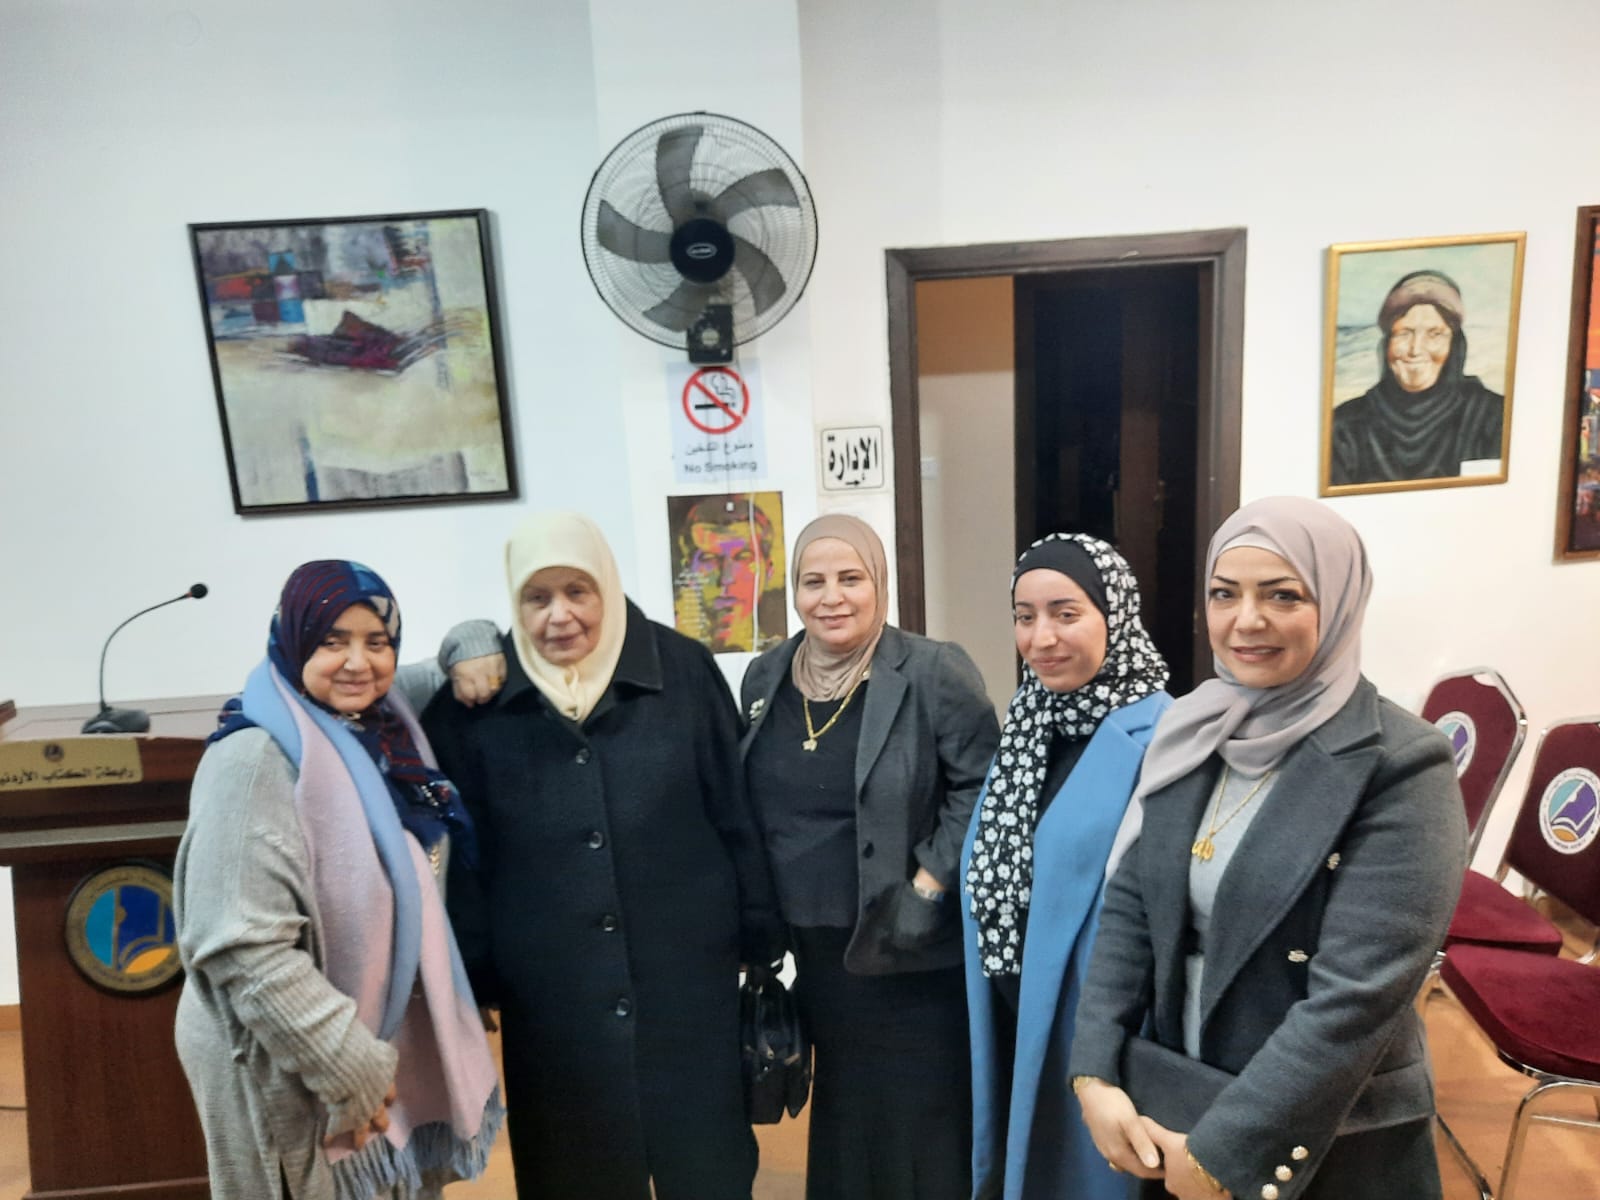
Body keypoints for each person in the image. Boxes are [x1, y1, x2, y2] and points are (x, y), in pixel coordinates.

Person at [1069, 496, 1468, 1200]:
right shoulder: (1195, 729)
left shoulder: (1402, 764)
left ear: (1338, 603)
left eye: (1283, 595)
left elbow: (1356, 1000)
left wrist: (1226, 1152)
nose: (1246, 620)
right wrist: (1094, 1070)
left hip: (1318, 1134)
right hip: (1180, 1100)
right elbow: (1132, 905)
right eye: (1225, 594)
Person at [423, 510, 781, 1200]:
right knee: (576, 1170)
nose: (559, 615)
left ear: (606, 588)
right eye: (537, 597)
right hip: (551, 998)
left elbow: (734, 808)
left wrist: (759, 931)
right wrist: (474, 973)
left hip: (687, 979)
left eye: (577, 591)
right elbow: (462, 855)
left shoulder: (682, 669)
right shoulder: (478, 700)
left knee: (704, 1165)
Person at [174, 560, 502, 1200]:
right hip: (284, 1054)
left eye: (377, 641)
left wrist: (473, 643)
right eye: (332, 641)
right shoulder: (255, 759)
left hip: (374, 1043)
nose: (358, 662)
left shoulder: (383, 725)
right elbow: (242, 948)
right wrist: (347, 1063)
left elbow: (467, 650)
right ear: (295, 639)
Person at [740, 514, 1001, 1200]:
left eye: (850, 578)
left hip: (909, 944)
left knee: (919, 1117)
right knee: (848, 1107)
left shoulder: (933, 670)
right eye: (813, 581)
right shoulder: (766, 676)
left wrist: (928, 883)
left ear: (879, 583)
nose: (832, 597)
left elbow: (983, 785)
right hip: (818, 950)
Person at [961, 534, 1172, 1199]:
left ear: (1116, 615)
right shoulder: (1029, 724)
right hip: (1017, 1002)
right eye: (1025, 617)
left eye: (1066, 614)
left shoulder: (1165, 736)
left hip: (1103, 1025)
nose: (1041, 638)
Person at [1329, 269, 1505, 486]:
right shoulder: (1345, 425)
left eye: (1435, 334)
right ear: (1387, 344)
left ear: (1455, 345)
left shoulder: (1492, 417)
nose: (1415, 350)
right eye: (1404, 333)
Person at [673, 493, 785, 653]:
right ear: (689, 570)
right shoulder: (676, 652)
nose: (726, 578)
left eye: (743, 557)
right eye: (709, 558)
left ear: (768, 570)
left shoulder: (784, 654)